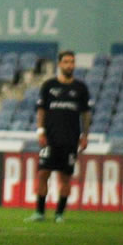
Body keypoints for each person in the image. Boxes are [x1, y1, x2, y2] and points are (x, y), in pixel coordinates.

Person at [26, 50, 92, 223]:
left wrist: (85, 135)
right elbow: (41, 110)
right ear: (60, 64)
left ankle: (59, 214)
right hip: (50, 138)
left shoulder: (80, 88)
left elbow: (85, 114)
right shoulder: (49, 86)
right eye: (66, 62)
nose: (70, 65)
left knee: (65, 178)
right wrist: (40, 131)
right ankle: (39, 212)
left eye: (72, 62)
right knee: (42, 174)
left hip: (70, 140)